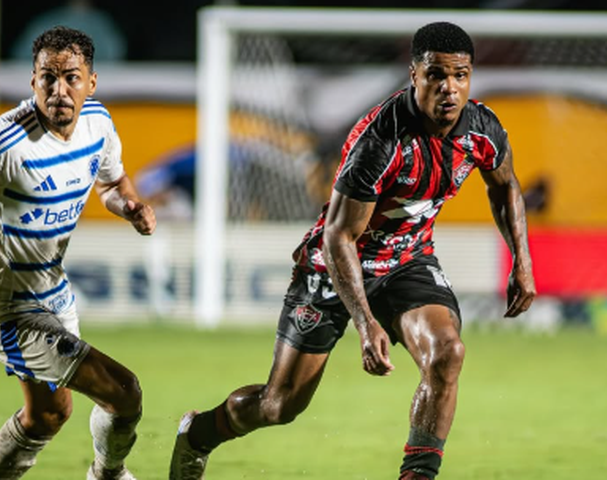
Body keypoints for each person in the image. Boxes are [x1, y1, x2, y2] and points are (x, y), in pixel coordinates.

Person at [169, 21, 536, 480]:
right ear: (413, 75)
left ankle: (416, 475)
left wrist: (523, 261)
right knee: (280, 405)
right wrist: (365, 325)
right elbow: (339, 236)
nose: (450, 88)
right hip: (333, 268)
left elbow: (506, 188)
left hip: (406, 260)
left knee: (447, 352)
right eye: (436, 75)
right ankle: (198, 433)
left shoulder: (482, 128)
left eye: (460, 75)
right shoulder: (380, 140)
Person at [0, 26, 155, 480]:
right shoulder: (1, 143)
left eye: (71, 78)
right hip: (7, 312)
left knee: (49, 415)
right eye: (47, 78)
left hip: (54, 297)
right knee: (125, 391)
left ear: (91, 82)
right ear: (32, 81)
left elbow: (112, 183)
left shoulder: (98, 124)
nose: (59, 90)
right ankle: (108, 475)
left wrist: (129, 207)